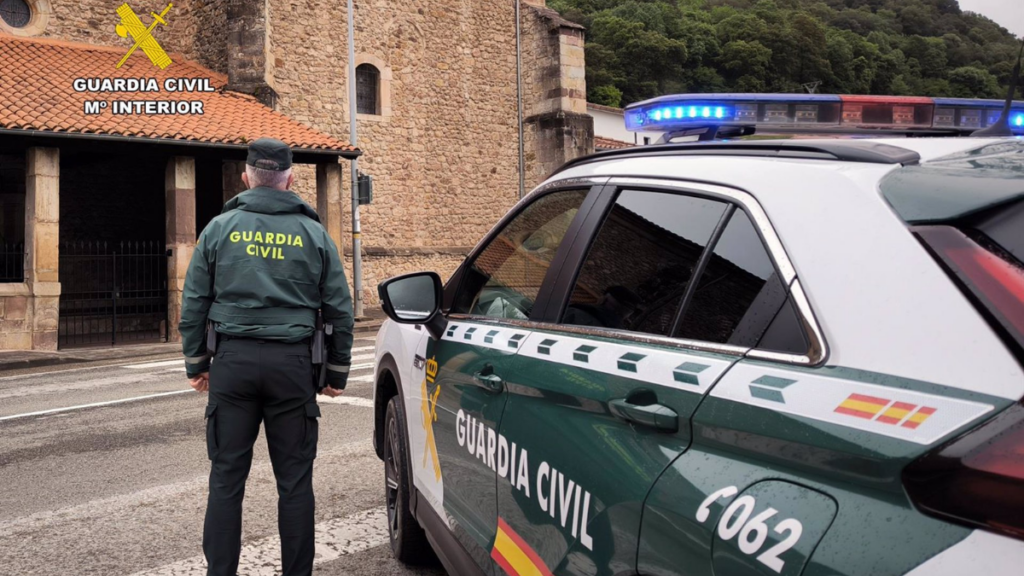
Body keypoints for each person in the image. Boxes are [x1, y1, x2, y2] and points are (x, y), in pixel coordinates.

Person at [178, 137, 354, 576]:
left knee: (225, 480)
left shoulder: (218, 229)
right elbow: (339, 307)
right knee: (294, 483)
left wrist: (197, 364)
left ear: (246, 177)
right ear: (290, 178)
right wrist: (336, 371)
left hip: (233, 365)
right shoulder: (315, 233)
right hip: (293, 367)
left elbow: (194, 301)